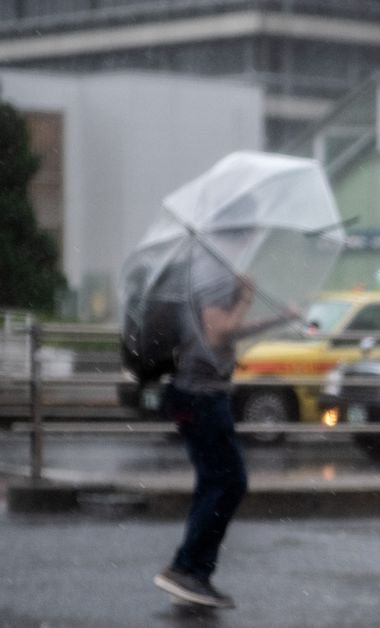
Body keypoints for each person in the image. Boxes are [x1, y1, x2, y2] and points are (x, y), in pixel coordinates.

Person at [153, 253, 298, 609]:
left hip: (194, 393)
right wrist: (246, 297)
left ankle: (193, 572)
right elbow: (218, 332)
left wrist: (279, 318)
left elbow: (224, 330)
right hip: (201, 395)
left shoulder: (209, 269)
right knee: (230, 482)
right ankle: (187, 569)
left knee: (213, 482)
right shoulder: (213, 272)